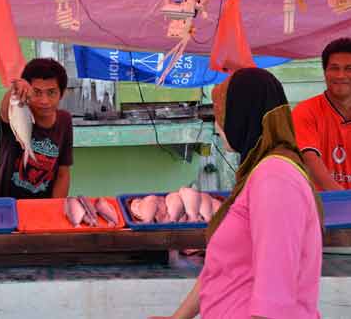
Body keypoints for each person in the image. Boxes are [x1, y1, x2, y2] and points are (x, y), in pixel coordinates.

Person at [150, 68, 324, 319]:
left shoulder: (276, 177)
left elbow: (273, 304)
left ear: (243, 115)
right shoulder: (259, 173)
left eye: (221, 115)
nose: (218, 126)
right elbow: (221, 269)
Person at [0, 58, 73, 199]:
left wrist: (55, 208)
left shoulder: (65, 120)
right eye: (37, 92)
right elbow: (5, 112)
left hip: (41, 209)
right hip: (5, 205)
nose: (44, 101)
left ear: (62, 93)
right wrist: (15, 89)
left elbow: (63, 172)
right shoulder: (19, 111)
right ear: (28, 91)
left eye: (51, 92)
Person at [292, 37, 351, 190]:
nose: (341, 75)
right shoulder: (305, 111)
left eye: (348, 68)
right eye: (334, 68)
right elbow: (310, 163)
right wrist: (344, 203)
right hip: (321, 207)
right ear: (325, 72)